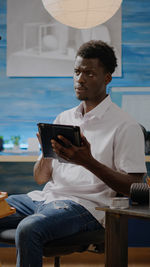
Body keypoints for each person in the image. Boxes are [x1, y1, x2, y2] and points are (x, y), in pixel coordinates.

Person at [0, 40, 146, 267]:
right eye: (77, 72)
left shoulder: (126, 126)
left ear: (107, 78)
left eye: (89, 73)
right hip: (45, 199)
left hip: (87, 208)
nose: (80, 79)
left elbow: (134, 187)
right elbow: (40, 178)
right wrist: (46, 152)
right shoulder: (64, 118)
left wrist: (86, 161)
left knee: (29, 229)